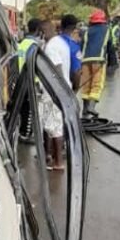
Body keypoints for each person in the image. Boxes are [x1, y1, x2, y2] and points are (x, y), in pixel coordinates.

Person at [41, 21, 73, 171]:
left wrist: (56, 92)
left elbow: (57, 70)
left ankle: (58, 162)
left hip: (54, 91)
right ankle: (52, 156)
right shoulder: (61, 43)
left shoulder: (51, 47)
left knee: (55, 127)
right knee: (52, 125)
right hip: (61, 89)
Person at [80, 10, 111, 116]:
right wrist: (113, 63)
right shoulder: (106, 30)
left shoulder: (87, 31)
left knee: (86, 84)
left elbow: (82, 45)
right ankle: (91, 107)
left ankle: (85, 109)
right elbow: (110, 46)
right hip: (99, 60)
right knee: (97, 83)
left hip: (85, 60)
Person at [60, 13, 82, 91]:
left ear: (61, 26)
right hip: (66, 88)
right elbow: (76, 72)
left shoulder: (52, 42)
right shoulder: (73, 46)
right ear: (74, 28)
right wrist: (76, 90)